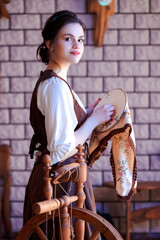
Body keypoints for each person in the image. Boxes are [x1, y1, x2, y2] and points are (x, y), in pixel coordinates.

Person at [23, 10, 114, 239]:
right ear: (50, 43)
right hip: (60, 183)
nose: (77, 44)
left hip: (66, 178)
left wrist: (88, 113)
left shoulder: (59, 82)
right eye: (68, 38)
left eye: (81, 39)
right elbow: (61, 147)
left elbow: (66, 129)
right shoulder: (55, 86)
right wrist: (93, 120)